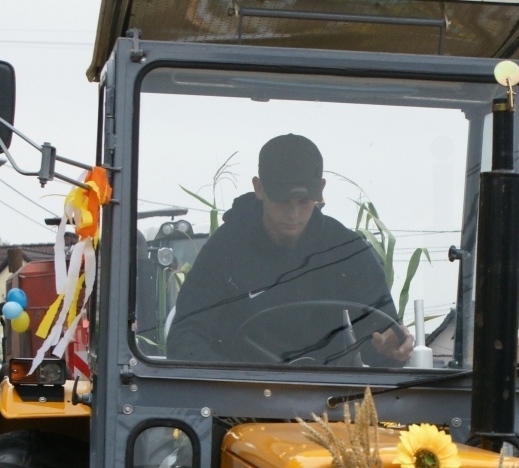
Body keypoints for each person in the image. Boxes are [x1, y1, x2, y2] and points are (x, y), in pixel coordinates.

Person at [167, 134, 413, 367]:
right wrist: (233, 382)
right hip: (241, 390)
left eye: (304, 202)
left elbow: (383, 340)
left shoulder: (346, 250)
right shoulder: (224, 250)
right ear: (259, 188)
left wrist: (392, 348)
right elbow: (185, 338)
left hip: (329, 392)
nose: (293, 215)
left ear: (321, 189)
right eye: (283, 201)